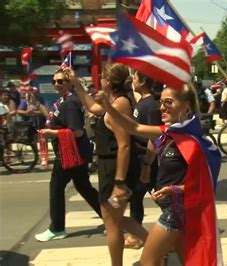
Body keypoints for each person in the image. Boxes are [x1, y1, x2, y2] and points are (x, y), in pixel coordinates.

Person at [95, 82, 222, 266]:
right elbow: (134, 128)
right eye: (161, 102)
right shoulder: (168, 132)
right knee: (186, 260)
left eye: (169, 102)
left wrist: (174, 189)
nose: (162, 107)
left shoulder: (194, 143)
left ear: (186, 106)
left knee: (148, 261)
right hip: (171, 208)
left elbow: (205, 186)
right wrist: (107, 106)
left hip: (177, 210)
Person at [71, 64, 148, 266]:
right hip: (110, 167)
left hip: (116, 170)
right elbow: (93, 108)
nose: (100, 81)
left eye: (102, 77)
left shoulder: (121, 103)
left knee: (112, 223)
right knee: (116, 219)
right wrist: (77, 85)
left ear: (107, 80)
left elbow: (124, 145)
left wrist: (119, 183)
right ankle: (157, 246)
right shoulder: (113, 101)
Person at [34, 68, 102, 242]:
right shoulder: (63, 101)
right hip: (70, 152)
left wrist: (51, 132)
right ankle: (110, 218)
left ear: (70, 82)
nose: (57, 84)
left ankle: (57, 228)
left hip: (69, 153)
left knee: (56, 188)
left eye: (61, 81)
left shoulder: (70, 102)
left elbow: (77, 132)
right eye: (54, 81)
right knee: (84, 187)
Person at [124, 71, 163, 249]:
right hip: (141, 158)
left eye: (135, 77)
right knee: (137, 196)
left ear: (144, 81)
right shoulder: (142, 101)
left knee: (161, 197)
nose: (133, 80)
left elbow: (154, 137)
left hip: (148, 158)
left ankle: (178, 231)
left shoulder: (150, 105)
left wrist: (147, 163)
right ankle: (135, 235)